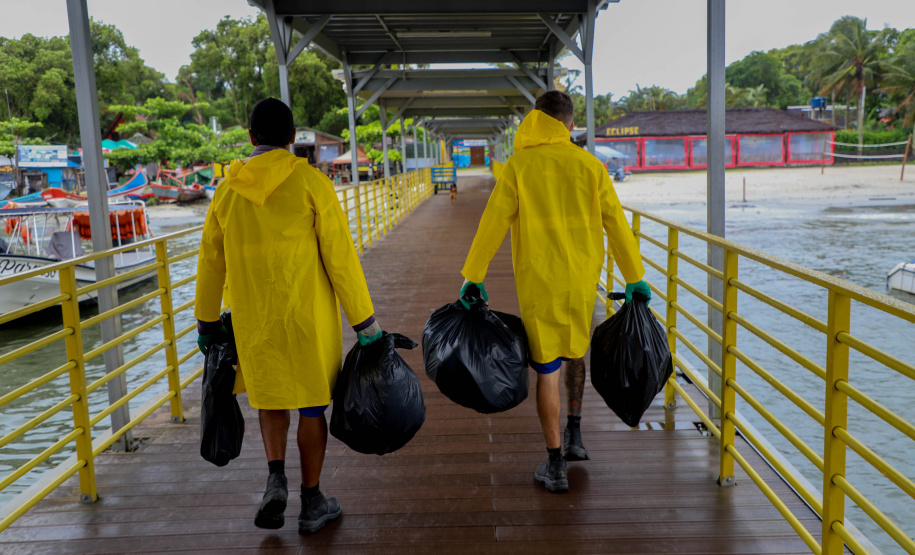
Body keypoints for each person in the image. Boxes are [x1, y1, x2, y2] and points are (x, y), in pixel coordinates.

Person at [195, 98, 382, 533]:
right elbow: (340, 257)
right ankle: (312, 500)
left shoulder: (227, 190)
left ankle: (275, 477)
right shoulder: (311, 182)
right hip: (307, 318)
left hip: (254, 318)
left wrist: (206, 321)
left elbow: (210, 261)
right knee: (313, 408)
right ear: (294, 137)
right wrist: (365, 322)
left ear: (251, 137)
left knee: (271, 398)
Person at [460, 91, 649, 493]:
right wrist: (634, 277)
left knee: (546, 366)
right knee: (575, 348)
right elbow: (615, 221)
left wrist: (473, 276)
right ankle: (575, 434)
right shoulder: (590, 165)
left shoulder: (519, 166)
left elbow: (493, 222)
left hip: (538, 279)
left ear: (535, 121)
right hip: (581, 277)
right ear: (570, 125)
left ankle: (554, 462)